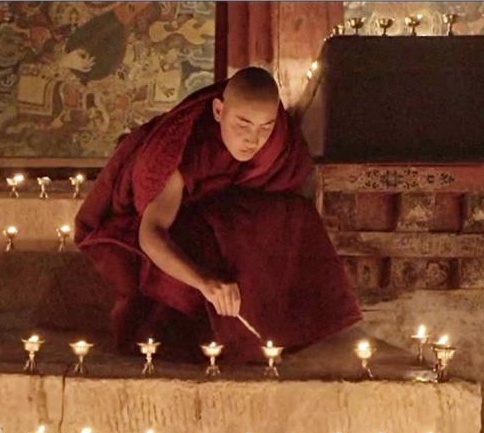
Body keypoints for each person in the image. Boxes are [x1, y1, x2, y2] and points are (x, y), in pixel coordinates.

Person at [74, 67, 361, 363]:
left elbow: (288, 181)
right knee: (199, 237)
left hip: (225, 202)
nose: (254, 139)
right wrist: (205, 282)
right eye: (243, 124)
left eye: (266, 126)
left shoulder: (279, 141)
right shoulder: (183, 151)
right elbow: (151, 234)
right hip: (181, 213)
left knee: (293, 216)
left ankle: (288, 326)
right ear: (218, 110)